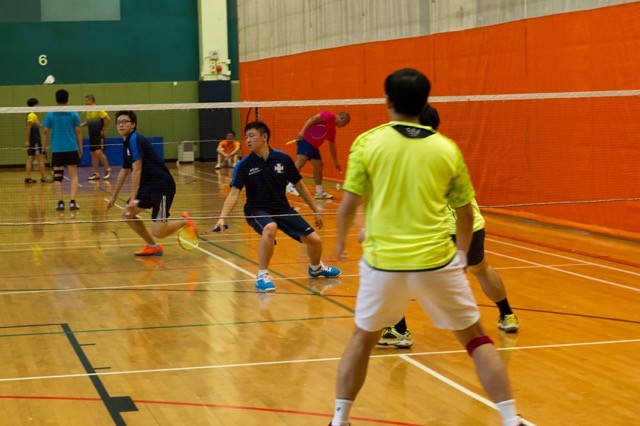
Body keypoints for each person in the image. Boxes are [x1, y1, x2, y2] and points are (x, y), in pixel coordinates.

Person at [331, 69, 522, 426]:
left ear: (387, 101)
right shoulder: (446, 149)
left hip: (384, 264)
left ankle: (339, 420)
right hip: (437, 261)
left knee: (362, 339)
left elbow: (347, 206)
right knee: (476, 340)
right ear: (425, 103)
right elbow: (465, 214)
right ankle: (510, 419)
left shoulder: (367, 143)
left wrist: (341, 242)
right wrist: (461, 255)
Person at [378, 104, 519, 349]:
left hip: (440, 229)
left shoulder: (411, 156)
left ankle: (399, 331)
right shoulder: (447, 151)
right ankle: (507, 314)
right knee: (480, 268)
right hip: (470, 224)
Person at [213, 121, 341, 292]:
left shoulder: (283, 159)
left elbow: (300, 185)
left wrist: (315, 209)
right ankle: (262, 275)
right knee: (270, 227)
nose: (247, 140)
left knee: (315, 241)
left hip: (282, 209)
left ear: (264, 137)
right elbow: (234, 192)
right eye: (246, 137)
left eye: (251, 136)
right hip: (256, 209)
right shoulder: (243, 165)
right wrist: (222, 218)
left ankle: (316, 268)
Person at [107, 110, 196, 256]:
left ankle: (184, 220)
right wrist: (113, 197)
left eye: (125, 122)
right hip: (147, 187)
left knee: (159, 232)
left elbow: (137, 170)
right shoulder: (127, 143)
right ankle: (152, 246)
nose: (121, 125)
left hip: (161, 187)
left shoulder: (135, 140)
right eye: (118, 122)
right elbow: (124, 171)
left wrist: (133, 199)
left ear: (133, 125)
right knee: (127, 214)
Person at [285, 110, 350, 199]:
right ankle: (290, 185)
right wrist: (302, 131)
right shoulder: (329, 115)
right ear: (342, 118)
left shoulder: (332, 131)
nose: (344, 126)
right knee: (301, 160)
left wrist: (335, 162)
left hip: (314, 146)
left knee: (318, 166)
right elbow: (313, 119)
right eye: (345, 123)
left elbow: (332, 146)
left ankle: (319, 192)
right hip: (305, 140)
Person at [42, 89, 83, 211]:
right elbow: (78, 131)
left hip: (57, 149)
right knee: (73, 175)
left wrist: (43, 148)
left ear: (56, 99)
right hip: (71, 148)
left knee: (57, 176)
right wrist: (80, 147)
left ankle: (60, 203)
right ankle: (72, 202)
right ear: (67, 99)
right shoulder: (73, 113)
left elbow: (45, 132)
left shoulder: (50, 114)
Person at [81, 95, 112, 180]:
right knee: (93, 154)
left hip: (99, 134)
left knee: (99, 152)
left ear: (91, 100)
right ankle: (96, 173)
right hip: (92, 134)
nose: (85, 103)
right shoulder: (88, 111)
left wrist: (103, 129)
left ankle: (108, 169)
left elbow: (108, 118)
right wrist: (80, 125)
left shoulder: (98, 109)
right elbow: (89, 122)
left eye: (86, 101)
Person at [24, 98, 53, 184]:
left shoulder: (33, 115)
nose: (39, 106)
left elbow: (38, 125)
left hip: (34, 141)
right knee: (40, 159)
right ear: (34, 105)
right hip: (35, 142)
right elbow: (28, 129)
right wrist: (27, 141)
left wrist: (47, 126)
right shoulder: (31, 115)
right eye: (38, 104)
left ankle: (28, 177)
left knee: (31, 159)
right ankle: (43, 177)